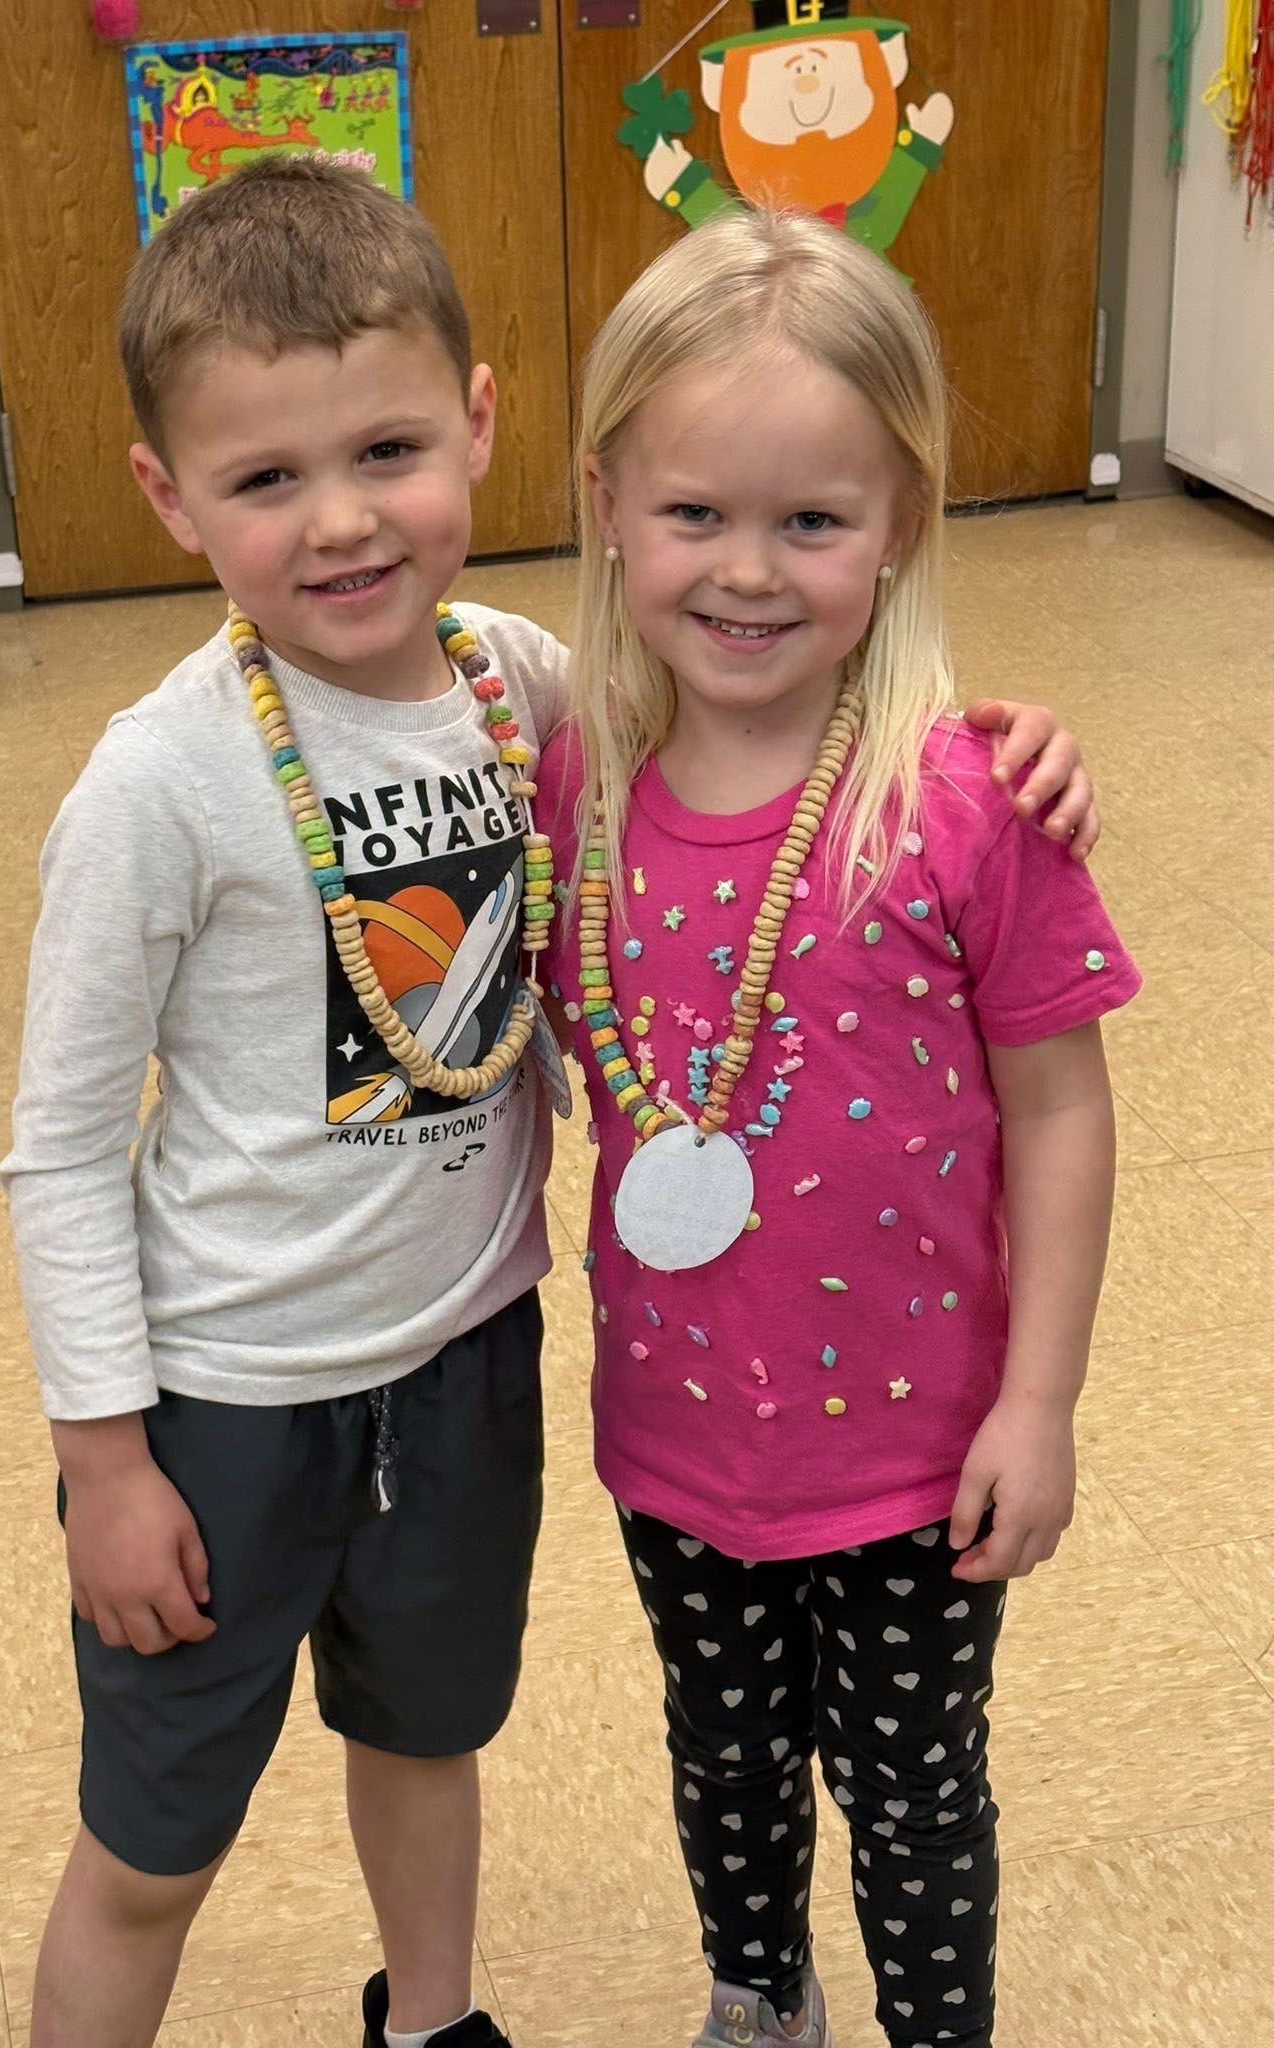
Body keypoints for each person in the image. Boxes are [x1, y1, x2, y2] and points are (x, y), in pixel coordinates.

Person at [0, 157, 1100, 2048]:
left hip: (472, 1362)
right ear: (170, 498)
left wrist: (1012, 735)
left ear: (489, 429)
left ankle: (431, 2022)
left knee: (430, 1733)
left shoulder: (531, 699)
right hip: (233, 1398)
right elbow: (58, 1144)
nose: (341, 524)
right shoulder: (157, 785)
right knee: (155, 1833)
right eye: (265, 480)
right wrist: (103, 1461)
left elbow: (777, 720)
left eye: (389, 452)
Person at [536, 206, 1139, 2048]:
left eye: (815, 520)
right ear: (608, 508)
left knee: (913, 1788)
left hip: (916, 1455)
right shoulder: (569, 778)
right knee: (721, 1767)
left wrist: (1039, 1404)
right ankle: (759, 1999)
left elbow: (1061, 1110)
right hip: (677, 1442)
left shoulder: (969, 802)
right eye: (695, 513)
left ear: (903, 532)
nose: (748, 571)